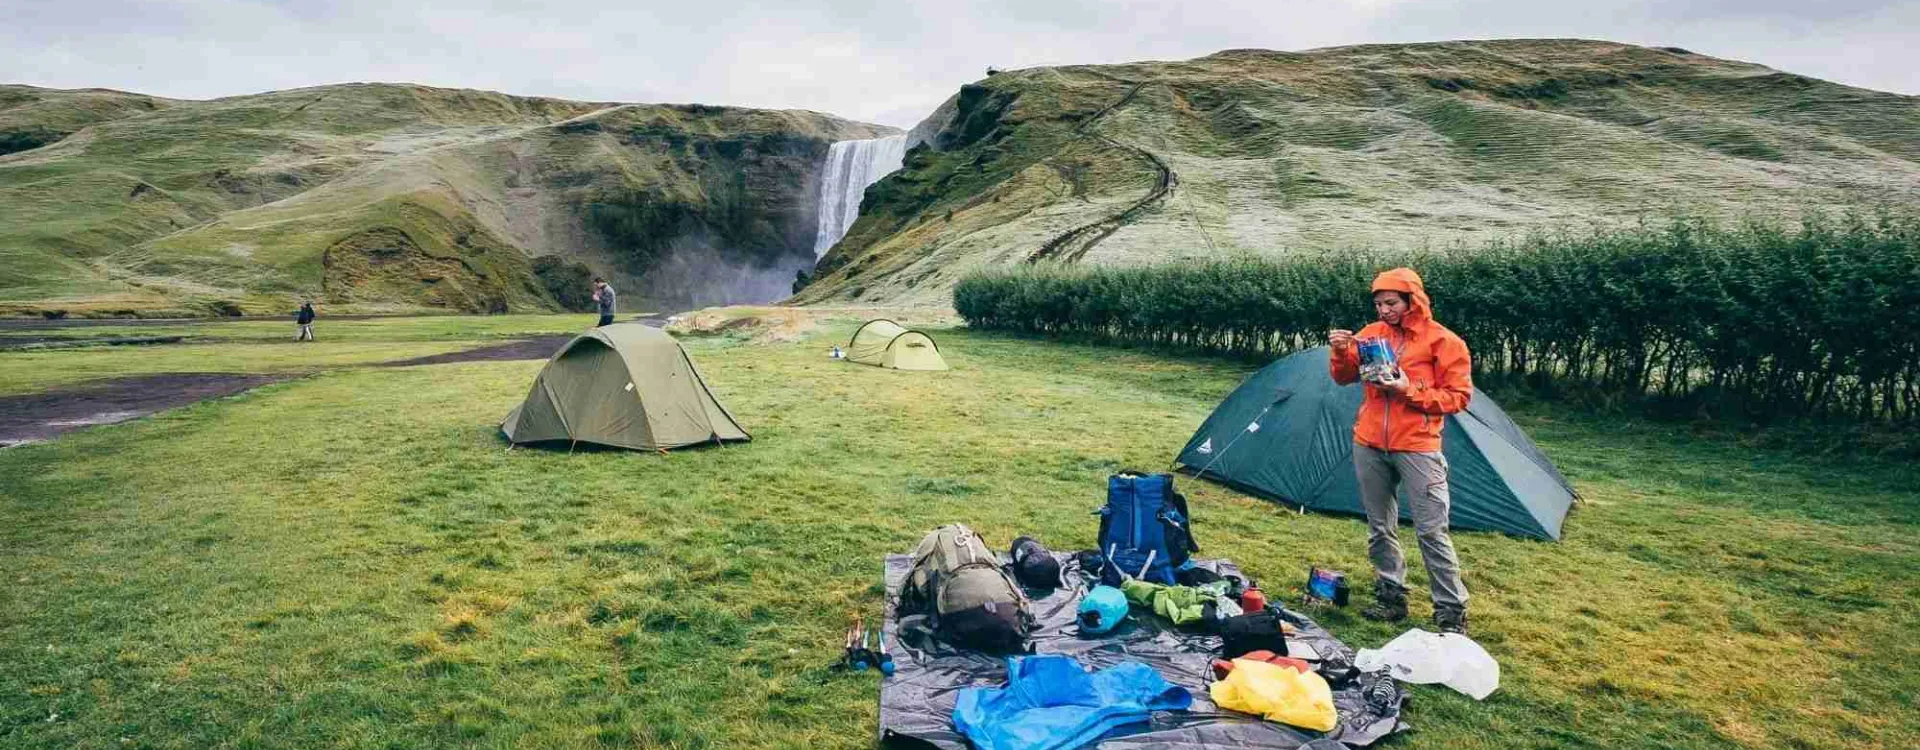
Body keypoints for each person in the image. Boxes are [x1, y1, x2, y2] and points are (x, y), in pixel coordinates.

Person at [1328, 268, 1474, 634]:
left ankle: (1450, 611)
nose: (1383, 310)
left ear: (1413, 300)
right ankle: (1390, 595)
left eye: (1391, 302)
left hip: (1418, 446)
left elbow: (1458, 398)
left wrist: (1408, 389)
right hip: (1370, 442)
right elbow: (1344, 377)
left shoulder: (1444, 342)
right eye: (1378, 303)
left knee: (1431, 530)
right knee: (1379, 527)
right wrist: (1342, 352)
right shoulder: (1371, 335)